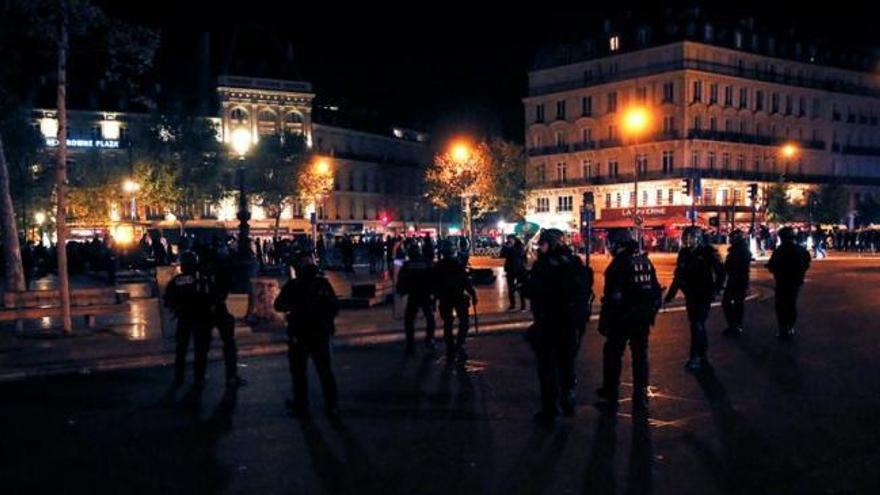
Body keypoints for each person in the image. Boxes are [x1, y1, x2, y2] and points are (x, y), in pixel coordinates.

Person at [524, 229, 593, 423]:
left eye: (543, 244)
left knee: (547, 366)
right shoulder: (575, 262)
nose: (540, 248)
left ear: (552, 244)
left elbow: (533, 291)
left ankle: (550, 408)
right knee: (567, 363)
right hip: (571, 322)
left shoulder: (544, 265)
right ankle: (568, 399)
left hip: (549, 321)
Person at [596, 229, 662, 410]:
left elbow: (612, 298)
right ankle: (640, 396)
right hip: (642, 318)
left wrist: (605, 321)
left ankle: (610, 393)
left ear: (618, 244)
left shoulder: (618, 265)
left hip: (622, 318)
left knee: (612, 354)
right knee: (640, 356)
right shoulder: (644, 260)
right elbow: (656, 290)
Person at [274, 255, 340, 420]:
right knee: (325, 371)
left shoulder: (294, 285)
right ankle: (332, 405)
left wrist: (295, 308)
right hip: (320, 333)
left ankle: (301, 404)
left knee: (299, 372)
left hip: (299, 334)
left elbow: (278, 305)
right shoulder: (322, 284)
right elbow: (334, 306)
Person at [664, 226, 725, 371]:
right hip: (690, 294)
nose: (687, 240)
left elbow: (721, 273)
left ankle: (695, 357)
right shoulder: (684, 253)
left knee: (698, 324)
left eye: (690, 237)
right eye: (685, 237)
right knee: (696, 325)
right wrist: (669, 296)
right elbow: (678, 276)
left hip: (704, 293)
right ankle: (702, 354)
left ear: (697, 238)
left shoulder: (708, 252)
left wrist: (716, 290)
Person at [164, 251, 212, 388]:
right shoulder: (201, 278)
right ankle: (200, 376)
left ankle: (179, 377)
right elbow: (209, 296)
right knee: (200, 349)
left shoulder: (177, 280)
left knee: (182, 349)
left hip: (184, 317)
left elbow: (168, 298)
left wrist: (176, 308)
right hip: (200, 317)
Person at [200, 243, 245, 388]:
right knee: (229, 343)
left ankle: (199, 376)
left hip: (204, 308)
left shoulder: (201, 268)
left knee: (203, 345)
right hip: (218, 307)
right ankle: (231, 376)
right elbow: (231, 284)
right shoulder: (223, 268)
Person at [434, 240, 477, 361]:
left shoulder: (439, 266)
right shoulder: (456, 264)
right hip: (457, 297)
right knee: (463, 322)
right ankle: (459, 344)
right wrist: (473, 294)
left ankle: (451, 347)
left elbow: (434, 283)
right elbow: (465, 281)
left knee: (448, 324)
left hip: (446, 298)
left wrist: (434, 297)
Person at [767, 226, 811, 340]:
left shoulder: (780, 250)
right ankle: (790, 327)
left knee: (781, 305)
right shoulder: (800, 250)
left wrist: (774, 269)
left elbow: (772, 265)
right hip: (795, 281)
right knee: (791, 305)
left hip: (783, 280)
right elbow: (806, 263)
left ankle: (783, 328)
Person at [396, 244, 437, 354]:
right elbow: (433, 278)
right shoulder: (426, 263)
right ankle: (429, 340)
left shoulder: (407, 265)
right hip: (425, 295)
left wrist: (401, 290)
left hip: (413, 295)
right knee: (430, 318)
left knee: (409, 319)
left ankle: (410, 343)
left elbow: (401, 280)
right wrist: (434, 294)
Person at [722, 230, 753, 337]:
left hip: (737, 279)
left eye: (732, 238)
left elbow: (730, 265)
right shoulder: (741, 249)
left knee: (731, 302)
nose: (730, 240)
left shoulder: (739, 250)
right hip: (739, 279)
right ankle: (736, 325)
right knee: (736, 303)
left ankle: (735, 325)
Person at [500, 234, 528, 311]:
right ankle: (512, 304)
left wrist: (510, 248)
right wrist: (505, 248)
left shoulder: (520, 246)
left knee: (521, 288)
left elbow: (519, 254)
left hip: (519, 269)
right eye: (508, 239)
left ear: (514, 239)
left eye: (511, 239)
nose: (510, 241)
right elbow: (502, 255)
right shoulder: (507, 246)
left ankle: (523, 305)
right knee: (511, 288)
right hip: (510, 269)